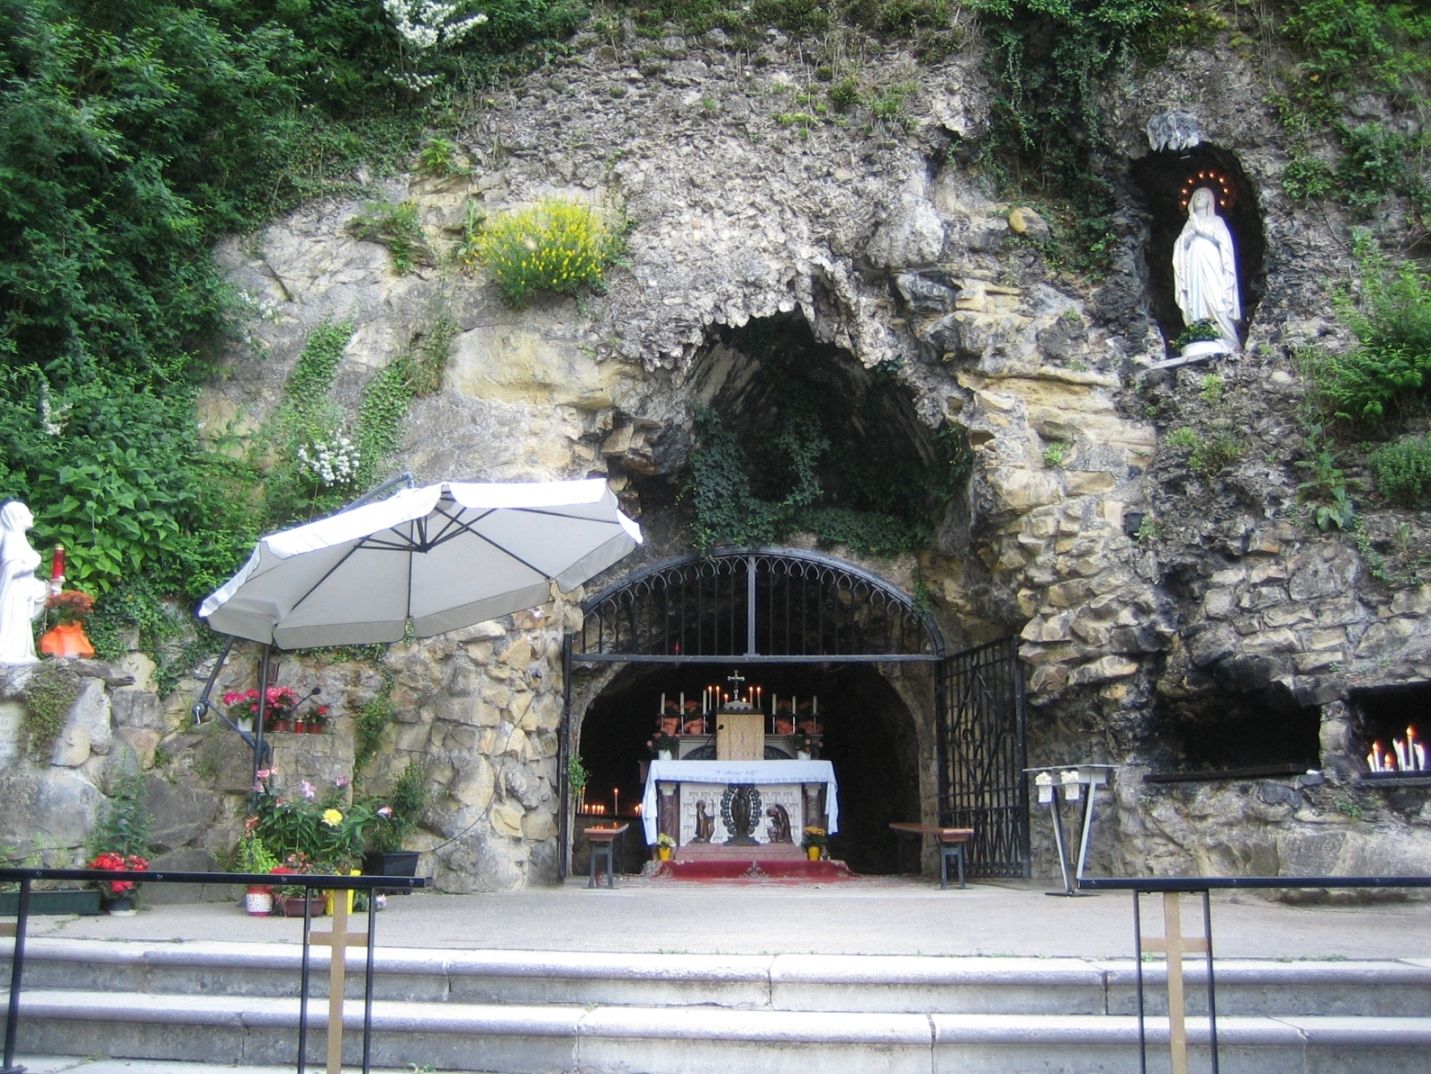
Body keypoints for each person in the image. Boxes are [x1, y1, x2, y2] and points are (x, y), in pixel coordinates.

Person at [1172, 186, 1241, 351]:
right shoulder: (1189, 224)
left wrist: (1201, 230)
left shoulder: (1216, 221)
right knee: (1196, 297)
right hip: (1193, 265)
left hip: (1211, 261)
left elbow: (1223, 241)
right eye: (1196, 196)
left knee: (1215, 296)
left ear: (1210, 200)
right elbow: (1180, 247)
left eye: (1203, 196)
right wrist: (1186, 238)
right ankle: (1199, 331)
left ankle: (1227, 337)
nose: (1199, 199)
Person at [0, 501, 51, 663]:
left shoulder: (19, 539)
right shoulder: (11, 538)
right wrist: (33, 563)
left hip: (21, 592)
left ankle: (18, 654)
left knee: (20, 626)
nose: (32, 516)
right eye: (28, 513)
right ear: (17, 517)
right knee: (14, 625)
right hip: (14, 594)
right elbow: (11, 568)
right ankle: (11, 654)